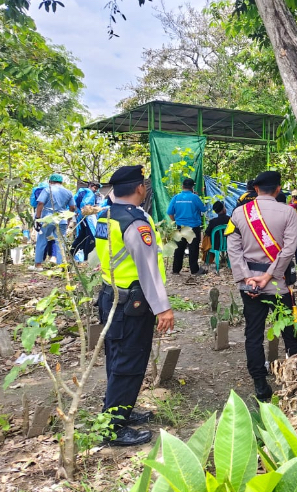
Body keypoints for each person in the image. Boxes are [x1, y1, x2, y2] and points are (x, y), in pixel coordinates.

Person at [95, 165, 174, 446]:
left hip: (111, 296)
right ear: (140, 188)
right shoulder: (135, 223)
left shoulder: (106, 215)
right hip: (133, 302)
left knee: (117, 358)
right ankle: (113, 429)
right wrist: (162, 308)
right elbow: (148, 270)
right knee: (129, 361)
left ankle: (119, 410)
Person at [225, 171, 297, 401]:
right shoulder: (289, 212)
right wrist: (270, 276)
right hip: (278, 283)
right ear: (278, 189)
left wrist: (247, 277)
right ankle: (295, 379)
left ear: (256, 189)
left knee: (253, 334)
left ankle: (260, 384)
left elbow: (233, 250)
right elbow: (289, 249)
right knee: (289, 331)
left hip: (250, 287)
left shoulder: (239, 213)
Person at [33, 174, 76, 269]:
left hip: (48, 219)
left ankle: (38, 265)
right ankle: (61, 266)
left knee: (42, 240)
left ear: (50, 182)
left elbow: (40, 203)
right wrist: (68, 219)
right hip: (62, 219)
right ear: (61, 182)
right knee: (60, 242)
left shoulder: (47, 190)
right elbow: (72, 207)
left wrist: (37, 217)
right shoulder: (68, 192)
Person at [167, 178, 206, 276]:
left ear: (182, 186)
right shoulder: (194, 197)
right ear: (192, 187)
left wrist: (175, 221)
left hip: (181, 226)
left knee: (179, 249)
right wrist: (196, 197)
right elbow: (203, 209)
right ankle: (194, 270)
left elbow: (170, 212)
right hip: (193, 227)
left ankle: (176, 270)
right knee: (193, 249)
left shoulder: (176, 197)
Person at [71, 181, 100, 259]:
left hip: (79, 217)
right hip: (87, 218)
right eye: (95, 188)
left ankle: (71, 254)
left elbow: (73, 204)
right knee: (90, 237)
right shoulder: (90, 193)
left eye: (97, 189)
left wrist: (77, 212)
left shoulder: (80, 192)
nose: (95, 190)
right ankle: (86, 258)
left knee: (81, 237)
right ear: (90, 186)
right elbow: (86, 206)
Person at [200, 201, 231, 271]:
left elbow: (207, 233)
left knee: (207, 237)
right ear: (224, 209)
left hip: (215, 245)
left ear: (216, 212)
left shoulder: (213, 222)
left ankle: (207, 260)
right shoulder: (230, 220)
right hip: (229, 244)